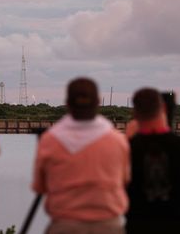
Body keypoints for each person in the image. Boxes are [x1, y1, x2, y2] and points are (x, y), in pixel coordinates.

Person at [32, 77, 130, 234]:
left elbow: (40, 186)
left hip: (64, 225)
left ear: (68, 103)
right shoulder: (117, 140)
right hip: (109, 225)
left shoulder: (50, 140)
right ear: (98, 102)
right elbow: (124, 181)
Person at [126, 88, 180, 234]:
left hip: (139, 227)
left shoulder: (127, 148)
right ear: (164, 109)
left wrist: (129, 138)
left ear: (135, 113)